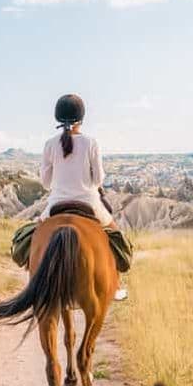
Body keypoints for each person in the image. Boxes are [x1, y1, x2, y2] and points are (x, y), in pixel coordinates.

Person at [38, 94, 130, 301]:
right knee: (117, 237)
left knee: (31, 237)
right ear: (82, 117)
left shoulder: (50, 144)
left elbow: (45, 182)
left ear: (57, 118)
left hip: (56, 204)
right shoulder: (91, 143)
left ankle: (33, 279)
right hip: (89, 203)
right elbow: (98, 178)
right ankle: (116, 285)